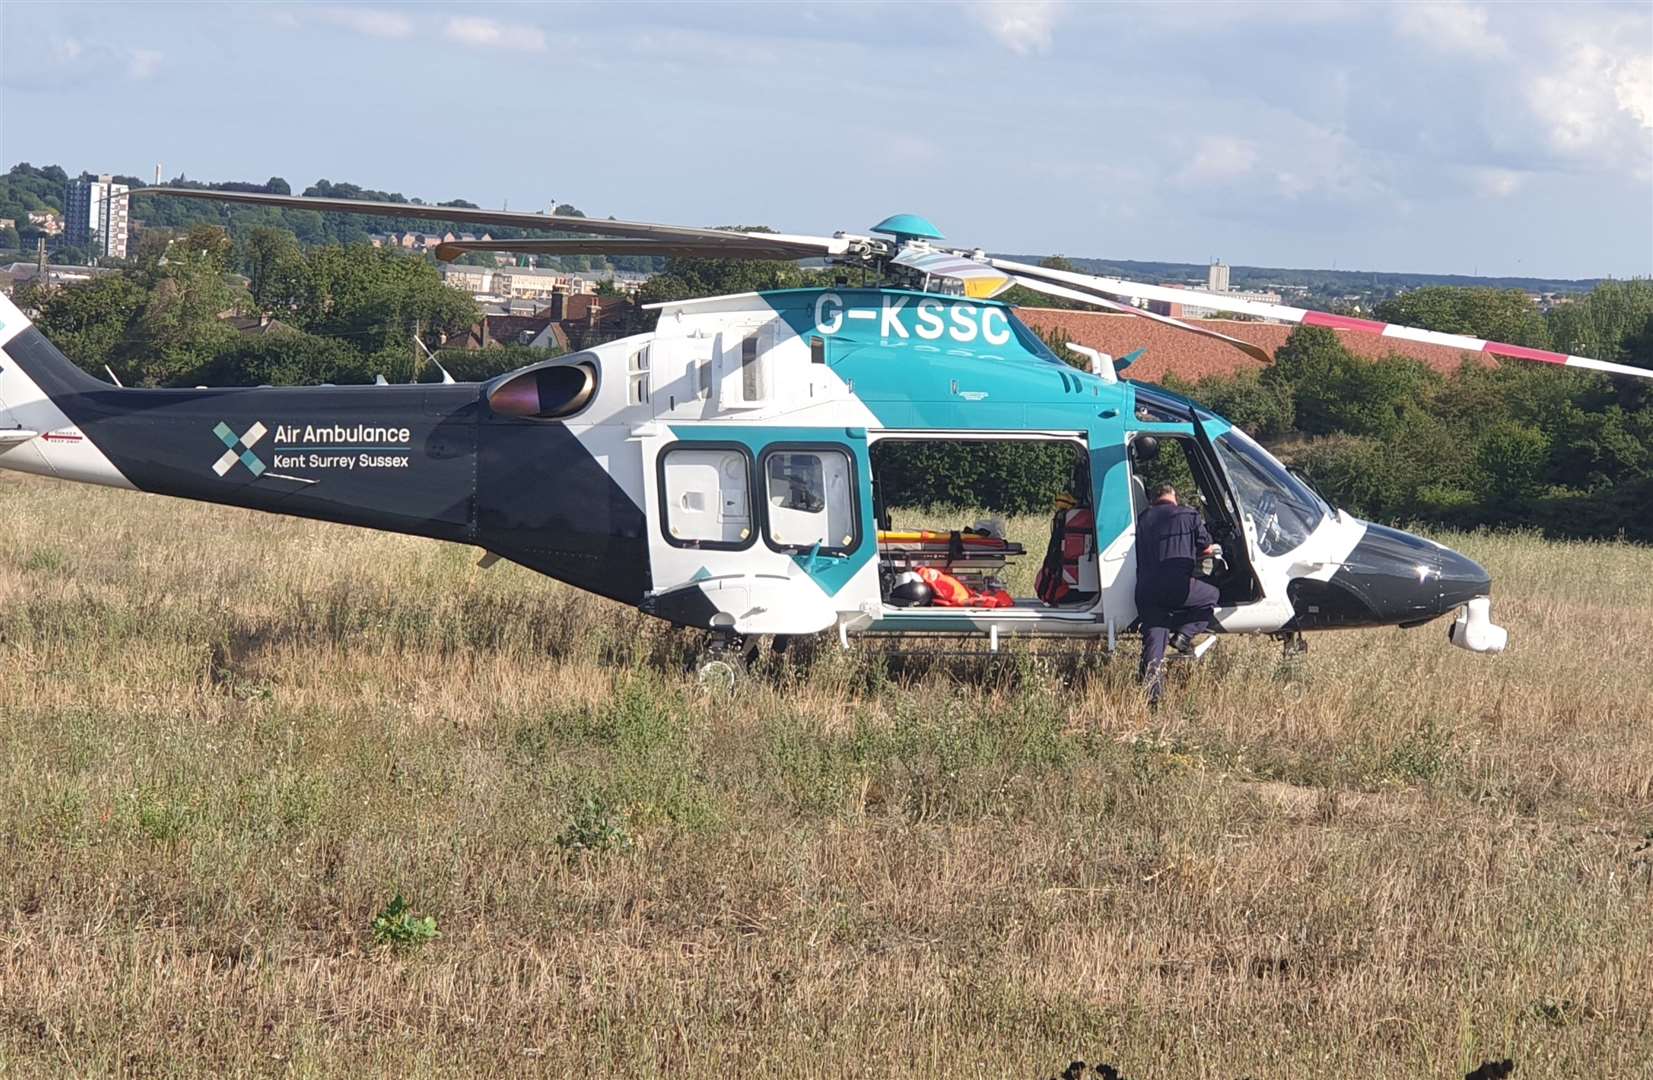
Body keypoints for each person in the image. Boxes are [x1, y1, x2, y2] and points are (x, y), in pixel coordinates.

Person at [1135, 484, 1219, 705]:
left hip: (1146, 589)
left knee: (1154, 641)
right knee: (1212, 595)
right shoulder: (1189, 515)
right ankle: (1184, 635)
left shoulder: (1142, 519)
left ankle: (1152, 699)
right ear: (1174, 496)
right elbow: (1207, 548)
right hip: (1178, 587)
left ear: (1153, 500)